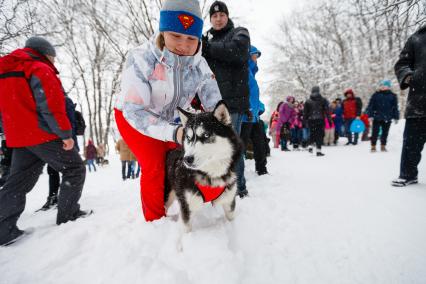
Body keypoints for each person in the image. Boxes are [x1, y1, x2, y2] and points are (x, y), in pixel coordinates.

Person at [114, 0, 222, 221]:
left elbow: (215, 103)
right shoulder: (141, 58)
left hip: (171, 120)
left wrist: (218, 131)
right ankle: (155, 221)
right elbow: (135, 111)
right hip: (134, 117)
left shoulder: (200, 64)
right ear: (163, 32)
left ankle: (205, 197)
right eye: (175, 36)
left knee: (188, 158)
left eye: (191, 38)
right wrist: (174, 133)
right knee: (154, 165)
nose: (184, 44)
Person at [0, 36, 90, 246]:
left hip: (18, 136)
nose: (54, 62)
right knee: (75, 168)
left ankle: (4, 230)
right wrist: (65, 134)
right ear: (45, 53)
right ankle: (69, 214)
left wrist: (8, 131)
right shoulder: (38, 68)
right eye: (53, 57)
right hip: (42, 133)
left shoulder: (5, 70)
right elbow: (50, 104)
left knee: (18, 182)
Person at [202, 0, 250, 197]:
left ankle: (239, 188)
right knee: (213, 146)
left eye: (222, 15)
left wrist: (207, 47)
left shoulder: (239, 33)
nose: (218, 18)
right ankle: (218, 188)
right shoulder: (206, 39)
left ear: (227, 16)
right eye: (214, 16)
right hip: (212, 102)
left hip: (233, 103)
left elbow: (236, 51)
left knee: (231, 147)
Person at [392, 25, 426, 187]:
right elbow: (402, 63)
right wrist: (408, 76)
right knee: (412, 142)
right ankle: (408, 174)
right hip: (419, 100)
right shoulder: (417, 38)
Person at [39, 95, 80, 211]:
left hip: (64, 140)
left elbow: (70, 123)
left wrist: (69, 141)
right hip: (54, 140)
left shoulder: (65, 101)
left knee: (69, 171)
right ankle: (54, 197)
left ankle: (63, 199)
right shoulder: (49, 99)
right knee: (53, 170)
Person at [240, 46, 268, 176]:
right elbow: (242, 94)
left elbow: (254, 96)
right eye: (254, 56)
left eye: (257, 56)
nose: (256, 59)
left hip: (255, 116)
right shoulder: (243, 71)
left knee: (260, 143)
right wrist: (247, 108)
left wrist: (260, 107)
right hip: (245, 116)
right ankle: (237, 175)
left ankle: (262, 169)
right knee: (241, 146)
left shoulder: (251, 73)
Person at [366, 80, 399, 153]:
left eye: (385, 86)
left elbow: (395, 107)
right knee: (375, 132)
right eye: (381, 85)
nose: (383, 87)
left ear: (388, 87)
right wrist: (370, 115)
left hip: (388, 117)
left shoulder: (393, 96)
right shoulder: (376, 95)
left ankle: (383, 145)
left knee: (385, 132)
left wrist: (396, 116)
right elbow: (370, 106)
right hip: (377, 116)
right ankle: (373, 146)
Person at [304, 86, 330, 156]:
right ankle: (318, 151)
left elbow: (305, 113)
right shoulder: (323, 100)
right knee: (319, 135)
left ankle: (310, 145)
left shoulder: (308, 101)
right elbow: (327, 111)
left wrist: (304, 122)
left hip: (311, 120)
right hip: (320, 120)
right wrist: (330, 120)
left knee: (312, 133)